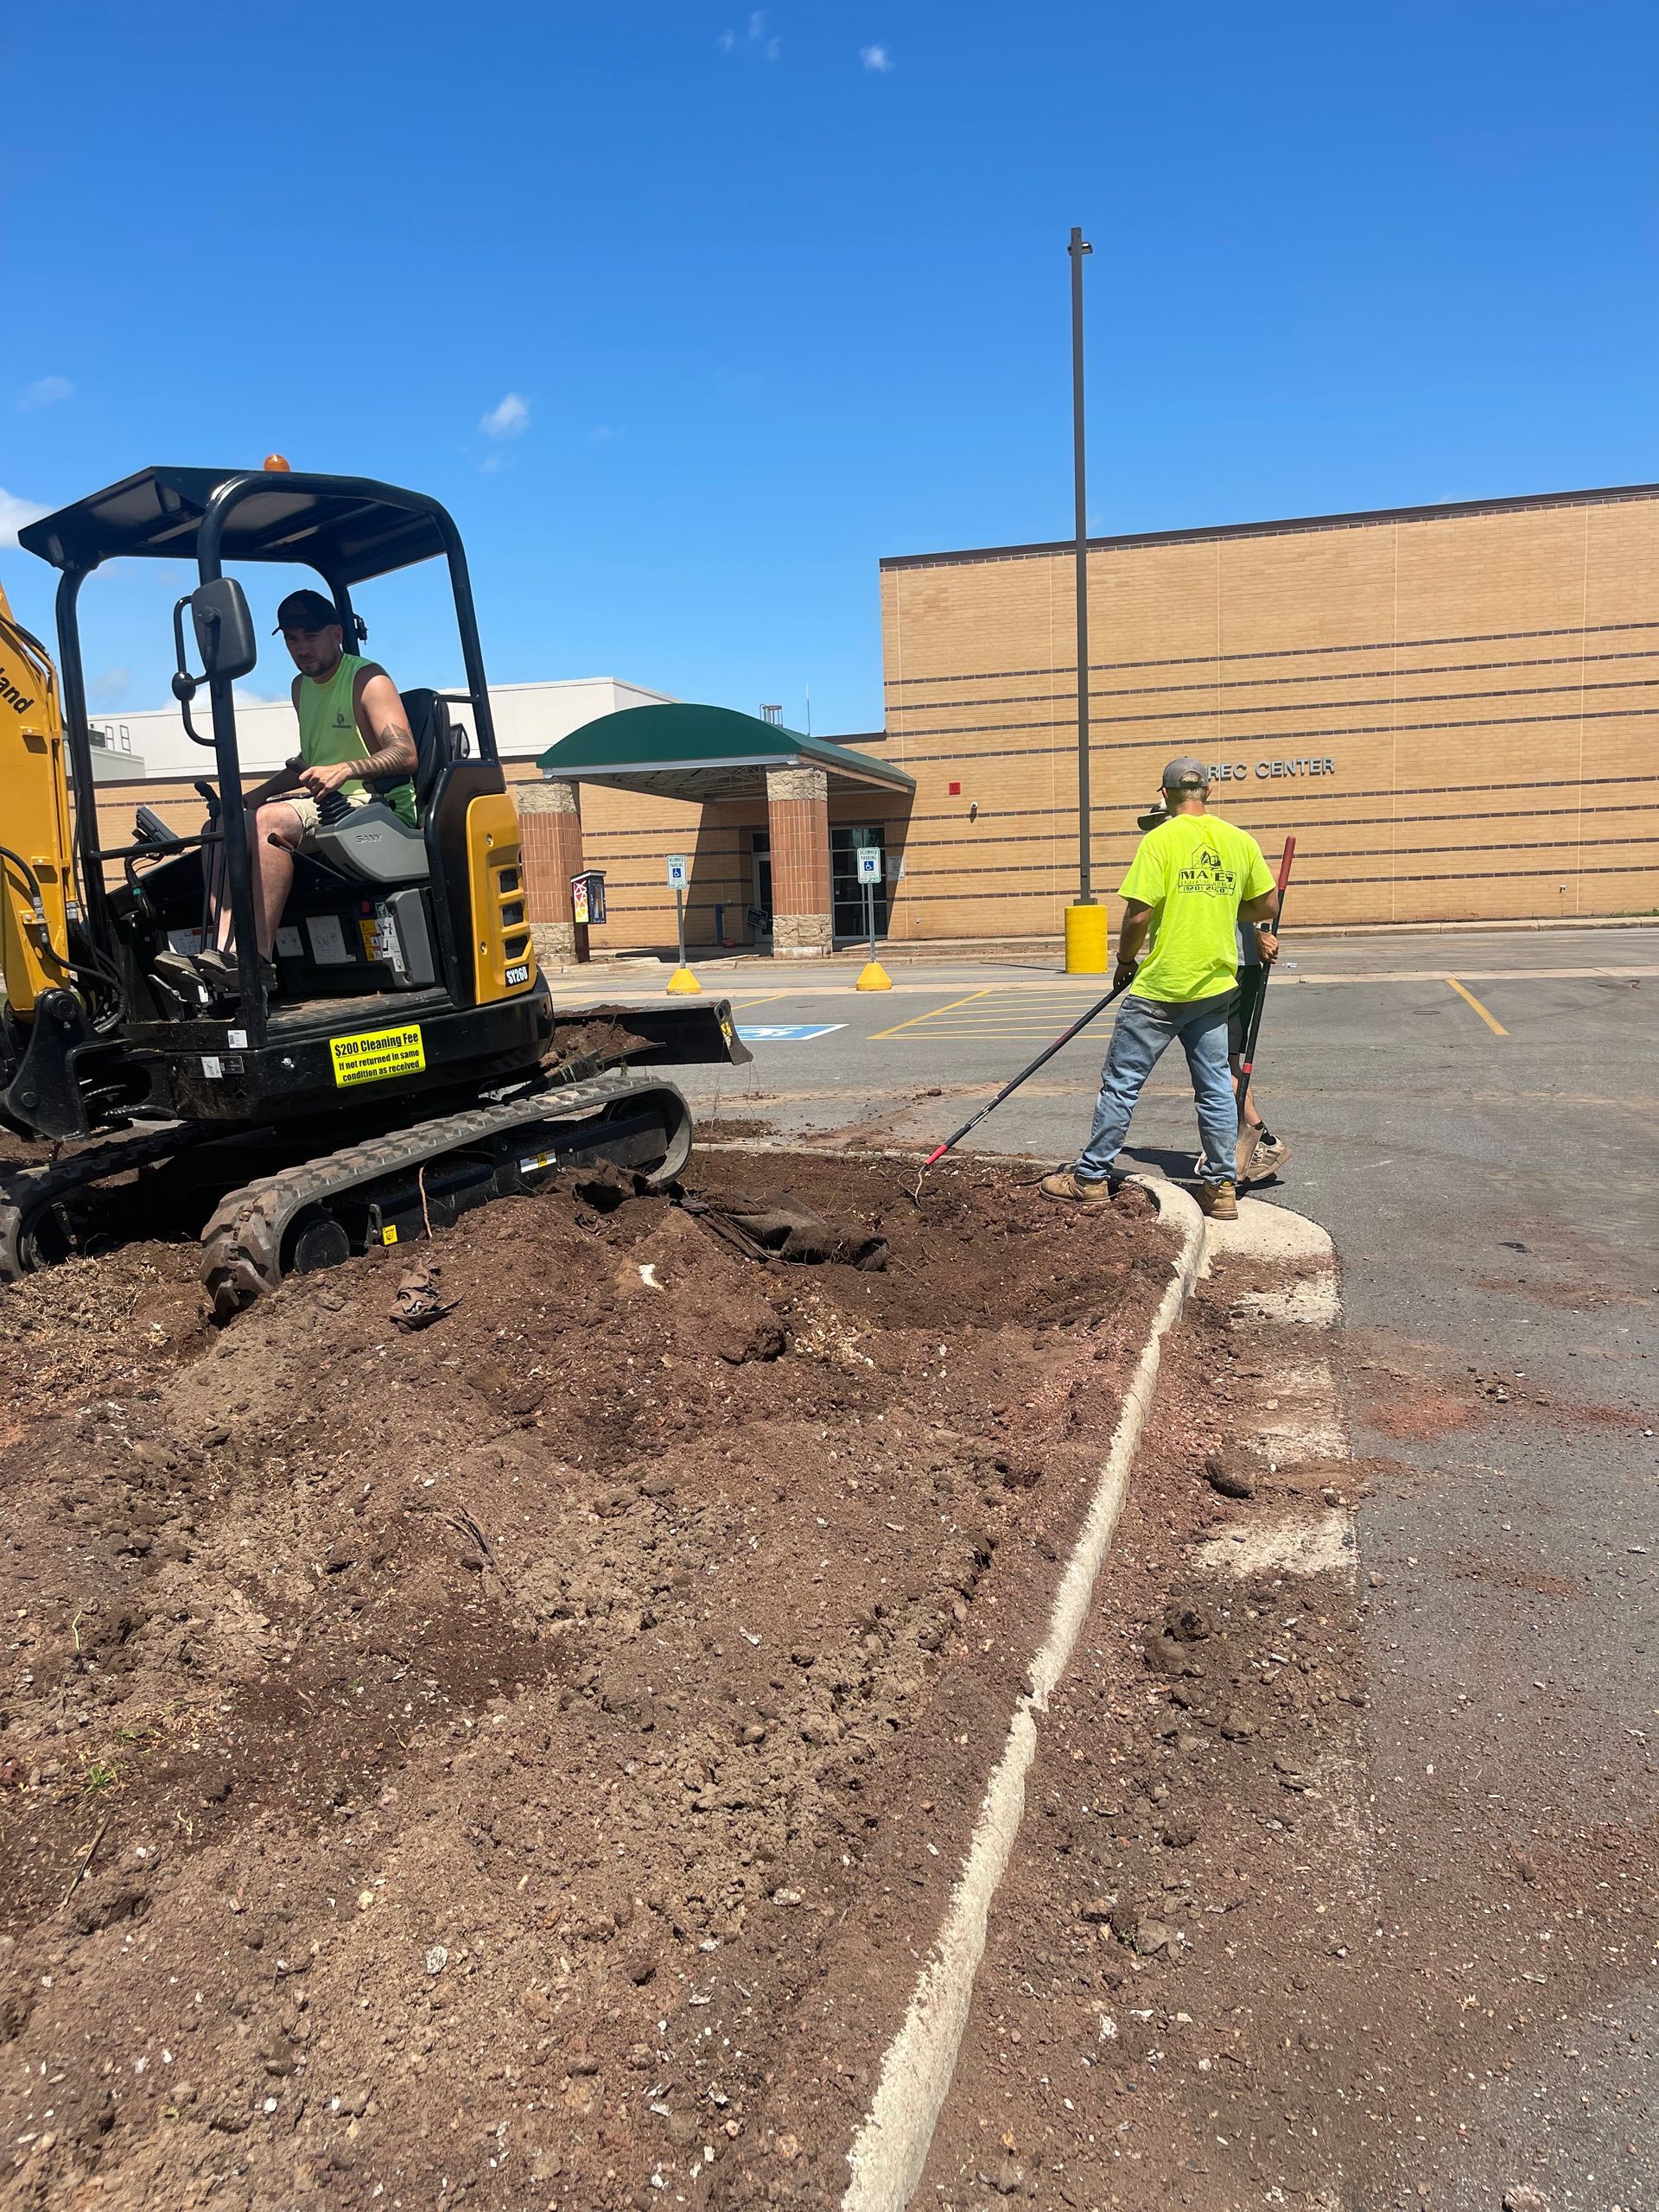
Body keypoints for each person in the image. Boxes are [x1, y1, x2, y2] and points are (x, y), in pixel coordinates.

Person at [1041, 756, 1279, 1222]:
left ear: (1165, 794)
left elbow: (1138, 915)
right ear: (1208, 792)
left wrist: (1126, 961)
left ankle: (1090, 1177)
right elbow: (1266, 902)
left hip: (1161, 988)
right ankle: (1220, 1187)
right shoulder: (1239, 841)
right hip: (1214, 987)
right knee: (1214, 1088)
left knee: (1122, 1084)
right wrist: (1223, 904)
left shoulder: (1159, 840)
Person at [201, 588, 419, 979]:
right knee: (223, 825)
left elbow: (405, 753)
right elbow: (309, 760)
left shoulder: (368, 679)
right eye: (291, 639)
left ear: (336, 633)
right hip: (329, 801)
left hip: (378, 807)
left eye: (310, 636)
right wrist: (259, 792)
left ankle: (257, 962)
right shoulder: (300, 687)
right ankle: (221, 951)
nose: (301, 648)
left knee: (269, 823)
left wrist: (347, 768)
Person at [1230, 915, 1291, 1185]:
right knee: (1228, 1061)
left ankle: (1263, 1139)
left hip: (1229, 965)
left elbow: (1258, 901)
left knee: (1213, 1063)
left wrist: (1255, 933)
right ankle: (1245, 1141)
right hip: (1237, 962)